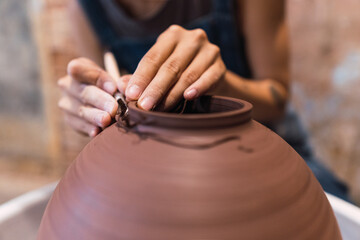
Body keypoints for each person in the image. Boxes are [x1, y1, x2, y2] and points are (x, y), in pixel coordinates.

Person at [57, 0, 350, 201]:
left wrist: (221, 83)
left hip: (260, 142)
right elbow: (108, 110)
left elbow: (276, 97)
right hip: (156, 159)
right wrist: (94, 109)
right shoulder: (85, 9)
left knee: (326, 207)